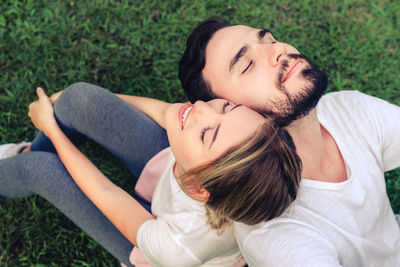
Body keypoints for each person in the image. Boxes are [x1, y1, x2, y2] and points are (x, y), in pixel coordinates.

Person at [177, 17, 400, 266]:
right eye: (247, 65)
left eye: (269, 39)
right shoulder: (276, 238)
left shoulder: (348, 109)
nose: (278, 49)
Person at [0, 83, 301, 266]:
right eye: (225, 106)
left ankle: (23, 160)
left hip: (157, 245)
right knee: (79, 100)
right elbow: (167, 112)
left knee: (39, 170)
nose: (200, 108)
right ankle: (35, 147)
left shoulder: (180, 247)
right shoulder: (213, 152)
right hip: (171, 174)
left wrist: (50, 126)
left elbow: (105, 193)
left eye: (208, 132)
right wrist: (80, 100)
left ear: (198, 186)